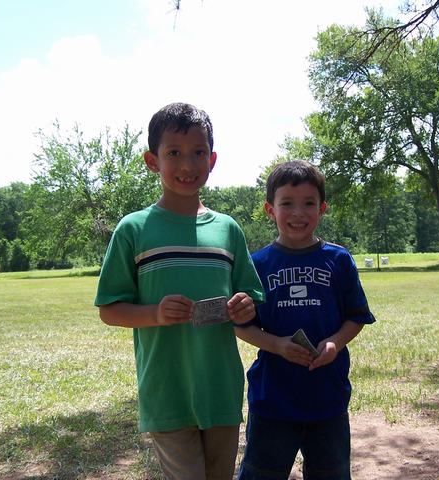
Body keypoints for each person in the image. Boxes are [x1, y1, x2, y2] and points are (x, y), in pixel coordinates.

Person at [94, 102, 265, 480]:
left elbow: (250, 298)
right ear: (152, 160)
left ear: (213, 159)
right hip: (166, 390)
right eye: (174, 153)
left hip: (220, 388)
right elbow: (110, 309)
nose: (187, 165)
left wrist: (243, 306)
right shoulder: (133, 229)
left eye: (198, 152)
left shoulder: (227, 230)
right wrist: (154, 313)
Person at [235, 160, 376, 480]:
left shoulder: (338, 260)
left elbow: (356, 316)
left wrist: (334, 343)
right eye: (287, 203)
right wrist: (278, 345)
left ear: (322, 208)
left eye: (308, 203)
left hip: (327, 398)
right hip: (273, 398)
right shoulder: (257, 264)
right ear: (270, 209)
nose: (298, 213)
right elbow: (242, 326)